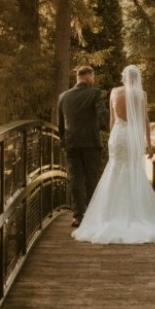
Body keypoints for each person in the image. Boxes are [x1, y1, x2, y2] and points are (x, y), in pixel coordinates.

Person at [72, 64, 155, 244]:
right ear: (137, 78)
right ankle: (136, 212)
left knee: (115, 169)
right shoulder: (141, 95)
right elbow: (145, 120)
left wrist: (112, 139)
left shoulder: (115, 92)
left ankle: (109, 215)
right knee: (133, 170)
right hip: (132, 136)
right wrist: (149, 145)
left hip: (118, 136)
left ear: (124, 77)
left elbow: (111, 120)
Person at [58, 65, 109, 227]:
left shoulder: (63, 97)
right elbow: (102, 113)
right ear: (88, 77)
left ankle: (78, 216)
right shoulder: (94, 93)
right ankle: (93, 215)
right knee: (91, 178)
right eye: (92, 77)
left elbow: (60, 124)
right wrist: (107, 126)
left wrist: (63, 141)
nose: (93, 80)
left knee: (75, 179)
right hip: (91, 143)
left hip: (71, 143)